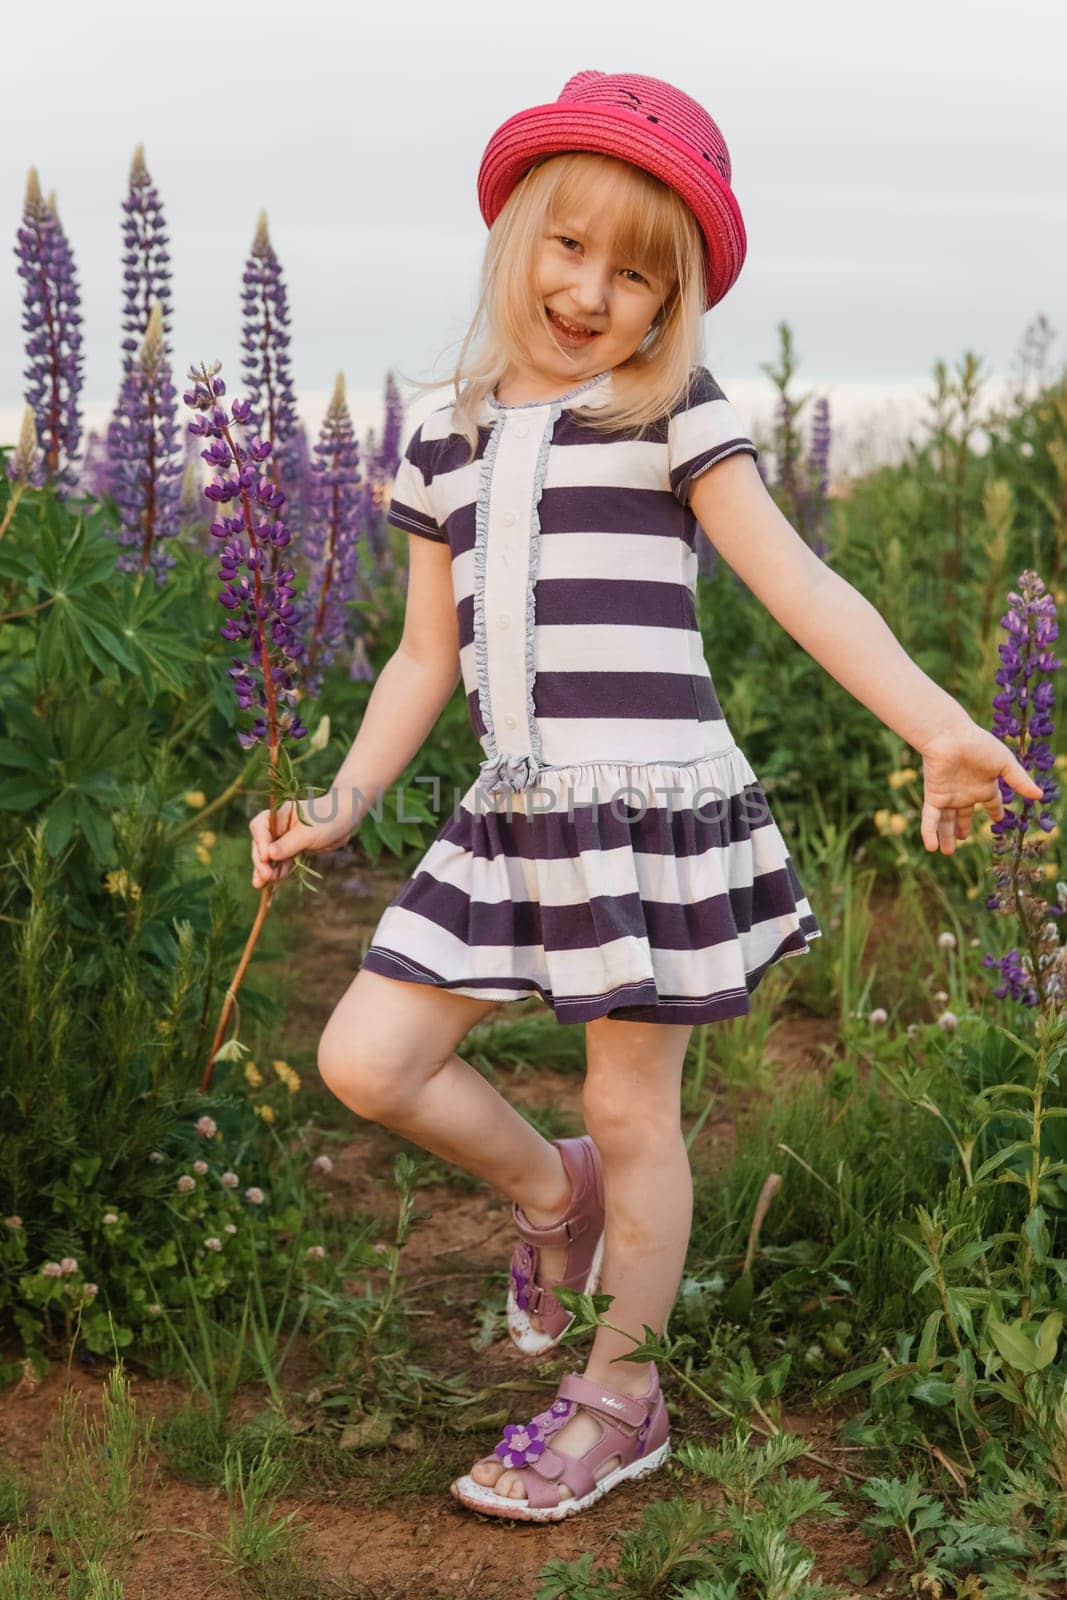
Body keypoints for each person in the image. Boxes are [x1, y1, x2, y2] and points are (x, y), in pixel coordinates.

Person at [248, 70, 1042, 1523]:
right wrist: (348, 797)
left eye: (637, 271)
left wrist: (941, 726)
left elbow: (798, 582)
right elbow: (427, 655)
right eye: (569, 246)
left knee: (635, 1109)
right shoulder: (441, 432)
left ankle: (623, 1392)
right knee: (370, 1057)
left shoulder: (674, 411)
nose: (591, 288)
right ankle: (558, 1204)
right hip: (513, 808)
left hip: (656, 811)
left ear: (674, 301)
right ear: (513, 235)